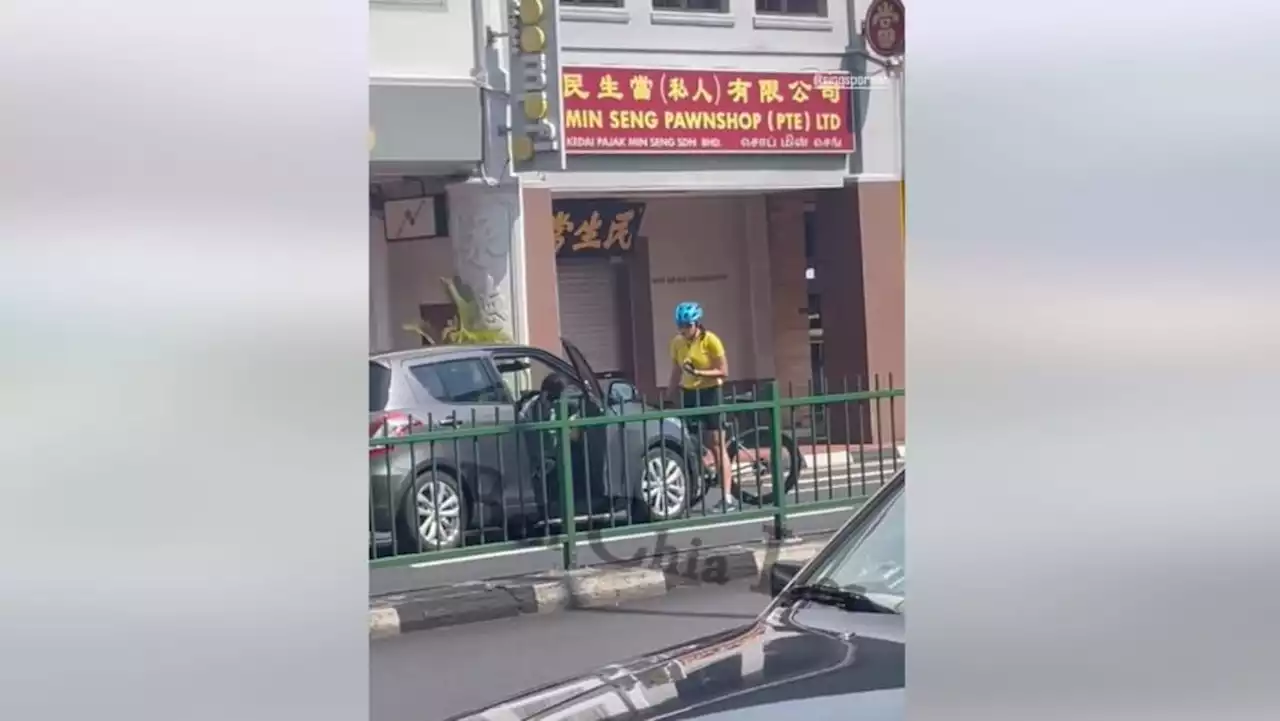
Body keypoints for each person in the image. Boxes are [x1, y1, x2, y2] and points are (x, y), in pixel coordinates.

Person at [666, 301, 735, 512]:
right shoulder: (677, 343)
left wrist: (700, 374)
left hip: (710, 392)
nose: (683, 330)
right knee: (690, 441)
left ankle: (727, 497)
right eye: (680, 326)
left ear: (696, 324)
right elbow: (676, 371)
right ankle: (696, 484)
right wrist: (669, 395)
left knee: (716, 445)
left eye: (687, 325)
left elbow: (724, 371)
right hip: (689, 393)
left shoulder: (710, 340)